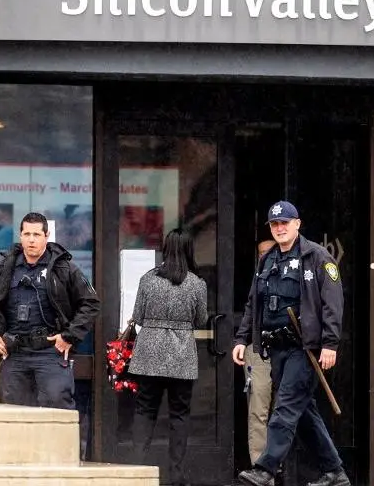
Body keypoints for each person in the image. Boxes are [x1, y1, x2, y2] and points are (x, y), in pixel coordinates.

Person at [233, 201, 350, 486]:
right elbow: (253, 303)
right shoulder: (267, 260)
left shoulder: (317, 256)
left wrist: (330, 343)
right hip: (277, 348)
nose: (280, 228)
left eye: (285, 222)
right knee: (304, 412)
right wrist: (242, 338)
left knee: (284, 407)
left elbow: (333, 303)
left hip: (305, 349)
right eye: (275, 224)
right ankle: (335, 472)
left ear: (297, 224)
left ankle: (266, 469)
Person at [0, 211, 101, 409]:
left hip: (50, 352)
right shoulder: (4, 268)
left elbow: (90, 303)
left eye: (37, 234)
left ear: (46, 236)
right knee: (11, 413)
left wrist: (69, 336)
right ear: (20, 236)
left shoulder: (63, 269)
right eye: (27, 234)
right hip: (14, 353)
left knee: (57, 410)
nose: (31, 240)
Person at [127, 228, 209, 486]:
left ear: (165, 249)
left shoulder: (148, 279)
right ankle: (176, 474)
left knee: (145, 409)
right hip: (181, 355)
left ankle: (138, 470)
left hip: (149, 353)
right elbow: (201, 320)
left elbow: (138, 316)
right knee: (180, 414)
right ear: (189, 250)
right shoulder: (197, 283)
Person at [245, 239, 276, 464]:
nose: (264, 256)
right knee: (258, 409)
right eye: (261, 253)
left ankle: (277, 462)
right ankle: (259, 465)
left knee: (285, 410)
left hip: (287, 350)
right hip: (258, 349)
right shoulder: (256, 281)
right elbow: (248, 312)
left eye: (269, 251)